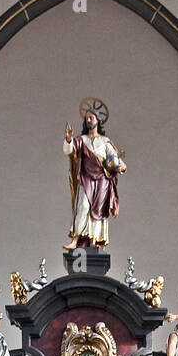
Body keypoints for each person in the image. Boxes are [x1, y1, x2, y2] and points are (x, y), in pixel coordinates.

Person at [63, 100, 125, 249]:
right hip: (86, 179)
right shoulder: (81, 140)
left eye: (91, 117)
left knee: (97, 212)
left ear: (98, 120)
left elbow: (115, 161)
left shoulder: (105, 142)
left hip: (102, 180)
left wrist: (120, 166)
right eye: (87, 118)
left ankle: (94, 241)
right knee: (83, 206)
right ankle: (75, 239)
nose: (88, 120)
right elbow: (69, 151)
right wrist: (69, 139)